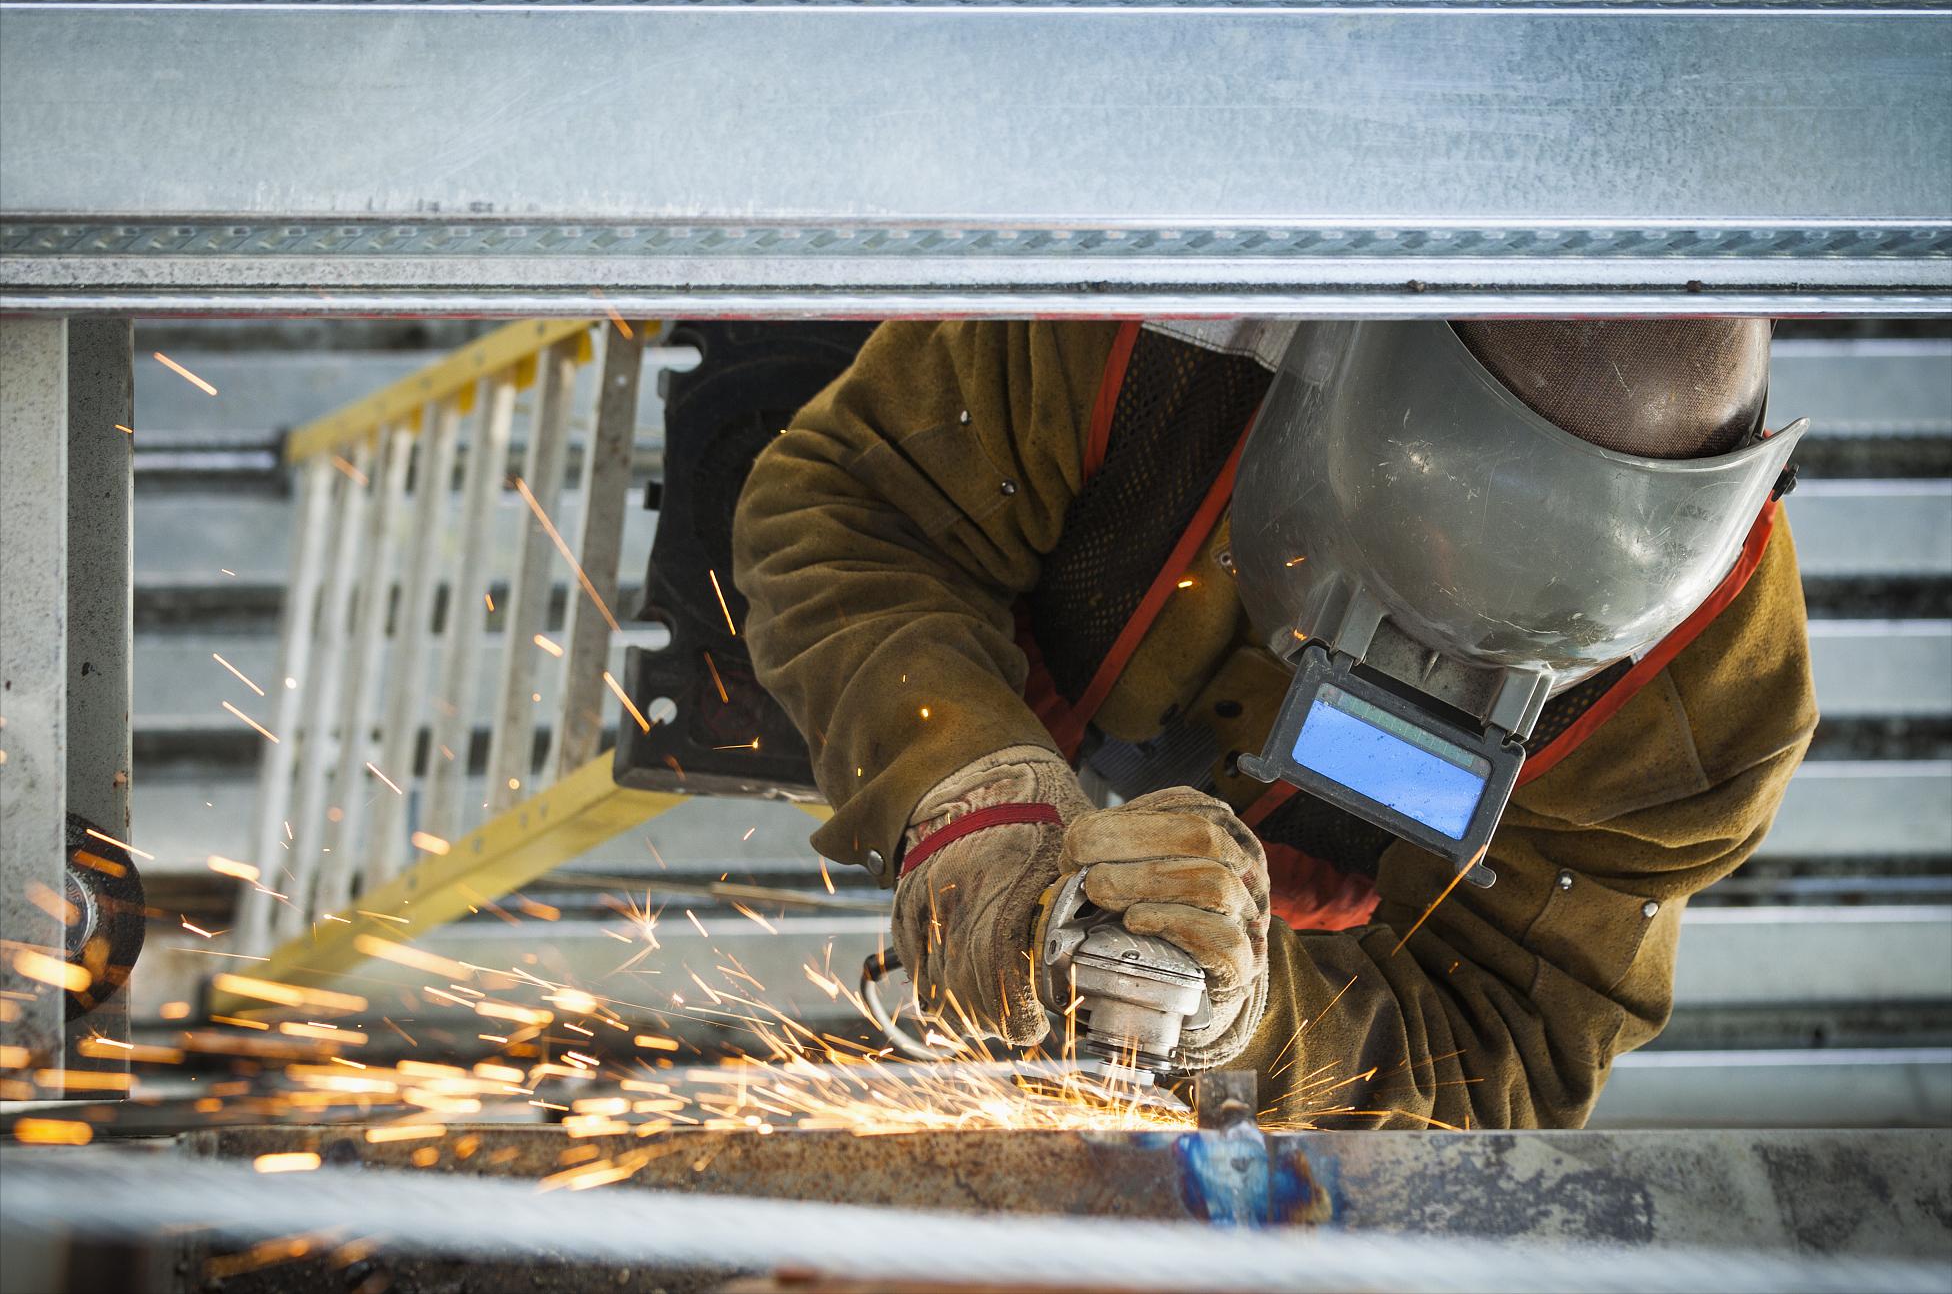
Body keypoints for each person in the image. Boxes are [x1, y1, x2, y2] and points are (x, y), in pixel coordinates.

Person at [731, 318, 1816, 1128]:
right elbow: (847, 514)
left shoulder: (1710, 693)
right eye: (1406, 588)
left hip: (1307, 904)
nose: (1421, 661)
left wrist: (1250, 1023)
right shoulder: (1147, 311)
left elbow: (1505, 1045)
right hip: (1032, 632)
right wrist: (977, 810)